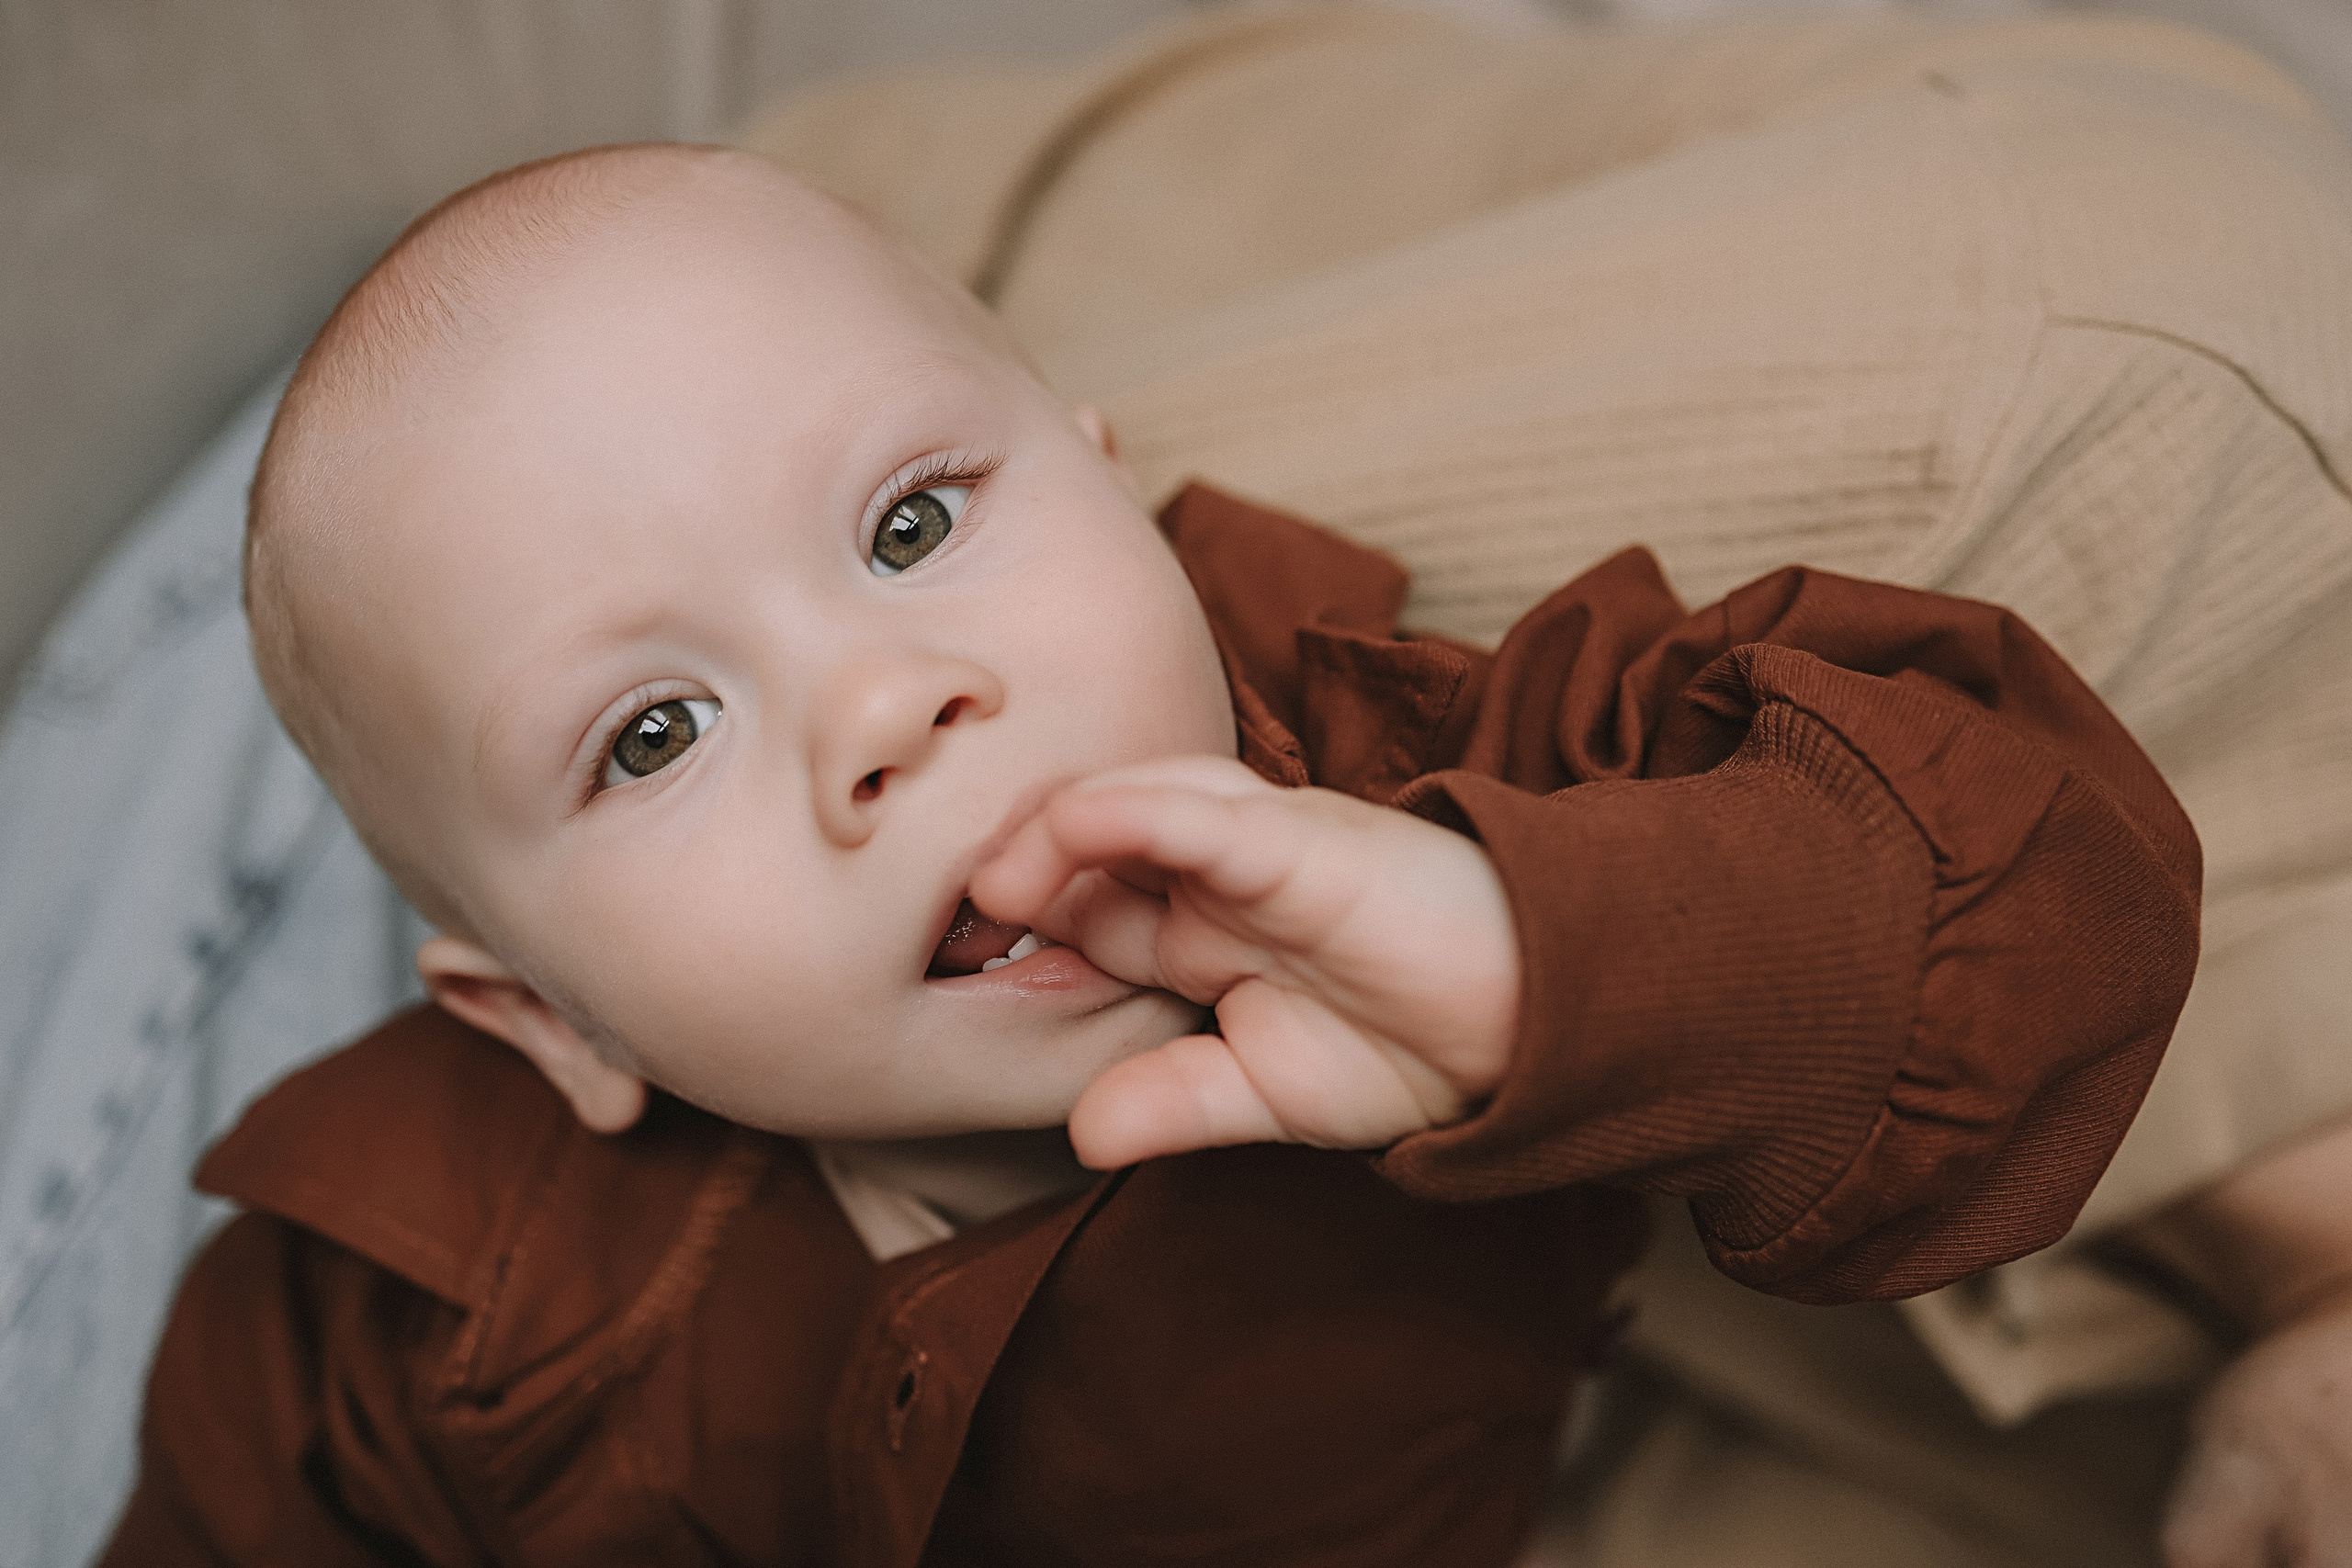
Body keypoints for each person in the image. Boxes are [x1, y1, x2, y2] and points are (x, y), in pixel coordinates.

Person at [96, 139, 2200, 1564]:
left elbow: (2043, 897)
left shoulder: (1461, 781)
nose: (883, 705)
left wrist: (1528, 955)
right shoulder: (416, 1315)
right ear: (545, 1017)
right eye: (654, 731)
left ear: (1121, 501)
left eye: (913, 522)